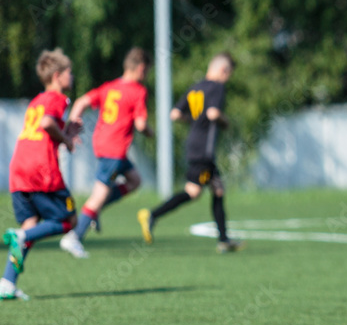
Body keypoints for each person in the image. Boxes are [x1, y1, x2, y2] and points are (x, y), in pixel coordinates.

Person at [0, 48, 81, 301]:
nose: (72, 76)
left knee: (31, 224)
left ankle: (6, 283)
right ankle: (22, 236)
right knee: (69, 221)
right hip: (40, 170)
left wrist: (68, 130)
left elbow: (43, 124)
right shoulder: (58, 98)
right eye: (69, 72)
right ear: (57, 76)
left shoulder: (37, 100)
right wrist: (66, 138)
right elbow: (46, 124)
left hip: (19, 168)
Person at [137, 52, 244, 253]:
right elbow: (213, 113)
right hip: (204, 149)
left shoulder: (196, 87)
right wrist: (225, 121)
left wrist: (194, 121)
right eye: (228, 74)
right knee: (193, 191)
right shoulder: (217, 87)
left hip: (194, 144)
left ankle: (224, 240)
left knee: (218, 189)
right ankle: (152, 215)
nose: (227, 78)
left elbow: (175, 114)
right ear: (223, 70)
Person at [60, 47, 154, 258]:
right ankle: (74, 237)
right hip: (115, 148)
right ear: (141, 68)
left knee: (134, 180)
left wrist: (71, 125)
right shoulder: (138, 91)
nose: (146, 76)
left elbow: (81, 101)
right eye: (147, 71)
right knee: (99, 195)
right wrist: (150, 132)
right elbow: (140, 125)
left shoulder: (110, 87)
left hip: (104, 145)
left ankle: (96, 212)